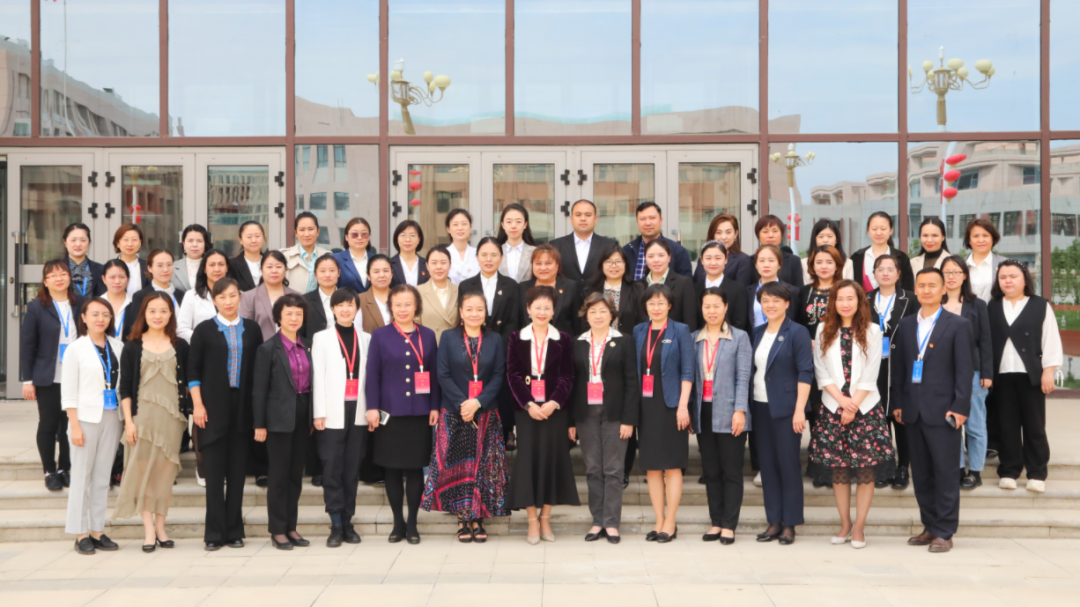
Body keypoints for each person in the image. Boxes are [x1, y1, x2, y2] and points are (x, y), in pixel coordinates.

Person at [891, 267, 973, 554]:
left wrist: (960, 406)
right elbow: (899, 368)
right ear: (915, 290)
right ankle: (929, 525)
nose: (926, 290)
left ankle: (945, 531)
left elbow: (965, 371)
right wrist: (898, 403)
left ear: (943, 290)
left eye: (932, 285)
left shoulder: (958, 325)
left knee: (946, 473)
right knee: (922, 473)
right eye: (921, 285)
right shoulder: (906, 325)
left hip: (944, 412)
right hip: (912, 411)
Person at [809, 280, 890, 549]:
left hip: (865, 408)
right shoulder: (823, 329)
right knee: (839, 470)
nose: (845, 303)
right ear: (833, 302)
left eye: (850, 298)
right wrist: (841, 401)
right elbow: (820, 370)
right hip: (833, 407)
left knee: (866, 470)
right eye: (840, 299)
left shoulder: (873, 330)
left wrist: (852, 405)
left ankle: (859, 527)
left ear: (859, 301)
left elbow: (871, 372)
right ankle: (845, 524)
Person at [424, 290, 509, 543]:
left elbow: (498, 375)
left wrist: (478, 402)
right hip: (455, 412)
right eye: (469, 309)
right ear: (461, 312)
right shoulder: (448, 337)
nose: (474, 313)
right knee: (459, 467)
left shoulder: (494, 339)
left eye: (479, 309)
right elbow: (443, 374)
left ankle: (478, 517)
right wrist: (464, 404)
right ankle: (462, 518)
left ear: (485, 313)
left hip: (486, 412)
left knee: (482, 466)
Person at [187, 278, 265, 550]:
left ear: (240, 297)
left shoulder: (252, 329)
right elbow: (193, 370)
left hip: (243, 408)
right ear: (214, 300)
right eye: (222, 297)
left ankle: (234, 531)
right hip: (211, 409)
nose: (228, 301)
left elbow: (259, 371)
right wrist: (198, 405)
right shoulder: (204, 330)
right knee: (214, 474)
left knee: (237, 474)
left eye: (233, 295)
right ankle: (213, 534)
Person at [365, 285, 441, 544]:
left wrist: (434, 406)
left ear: (416, 306)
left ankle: (412, 523)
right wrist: (372, 407)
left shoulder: (427, 335)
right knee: (392, 470)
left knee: (416, 469)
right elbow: (372, 375)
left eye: (408, 304)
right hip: (390, 413)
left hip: (419, 412)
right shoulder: (380, 335)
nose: (403, 309)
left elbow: (434, 374)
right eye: (397, 304)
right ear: (391, 307)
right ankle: (398, 523)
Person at [115, 292, 189, 552]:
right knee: (143, 474)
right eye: (152, 311)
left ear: (171, 314)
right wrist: (129, 422)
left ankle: (161, 528)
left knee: (164, 476)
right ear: (144, 314)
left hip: (171, 421)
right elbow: (125, 388)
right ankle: (148, 530)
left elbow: (190, 382)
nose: (158, 316)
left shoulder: (181, 345)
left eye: (163, 311)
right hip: (142, 420)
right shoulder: (132, 346)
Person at [506, 286, 579, 544]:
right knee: (527, 461)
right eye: (537, 307)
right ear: (528, 309)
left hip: (554, 411)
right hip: (526, 411)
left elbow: (568, 376)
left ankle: (545, 518)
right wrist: (528, 403)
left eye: (547, 307)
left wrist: (554, 403)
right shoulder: (517, 337)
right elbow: (512, 374)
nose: (542, 311)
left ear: (553, 311)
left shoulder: (564, 339)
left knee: (552, 460)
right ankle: (531, 521)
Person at [569, 293, 638, 544]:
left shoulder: (624, 341)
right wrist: (571, 422)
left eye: (603, 311)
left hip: (616, 414)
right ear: (586, 315)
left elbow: (632, 382)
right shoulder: (577, 342)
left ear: (612, 314)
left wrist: (629, 420)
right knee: (593, 468)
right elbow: (572, 383)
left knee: (614, 470)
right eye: (593, 311)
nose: (598, 316)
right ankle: (597, 520)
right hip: (585, 413)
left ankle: (611, 523)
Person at [987, 260, 1062, 494]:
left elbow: (1050, 339)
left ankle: (1037, 473)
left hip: (1031, 375)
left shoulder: (1040, 305)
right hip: (1001, 375)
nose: (1007, 281)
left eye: (1013, 276)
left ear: (1024, 279)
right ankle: (1009, 471)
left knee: (1034, 426)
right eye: (1002, 277)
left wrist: (1048, 371)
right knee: (1006, 425)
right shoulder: (992, 306)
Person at [752, 282, 813, 546]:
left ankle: (790, 524)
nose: (771, 305)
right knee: (767, 466)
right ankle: (774, 521)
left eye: (776, 300)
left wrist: (800, 409)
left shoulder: (797, 332)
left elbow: (806, 372)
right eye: (766, 300)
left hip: (787, 408)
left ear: (787, 303)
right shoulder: (756, 332)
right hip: (760, 406)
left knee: (788, 465)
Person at [61, 297, 124, 555]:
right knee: (81, 477)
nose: (101, 319)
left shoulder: (118, 346)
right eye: (95, 314)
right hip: (85, 419)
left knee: (102, 477)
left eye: (105, 315)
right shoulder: (76, 349)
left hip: (112, 417)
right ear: (84, 318)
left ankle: (97, 531)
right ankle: (80, 533)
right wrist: (74, 426)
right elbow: (68, 392)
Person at [634, 284, 695, 543]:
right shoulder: (639, 331)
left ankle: (671, 521)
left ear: (669, 305)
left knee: (671, 466)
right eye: (651, 303)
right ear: (645, 306)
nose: (656, 307)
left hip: (672, 407)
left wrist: (683, 406)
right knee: (651, 467)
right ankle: (658, 519)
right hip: (646, 407)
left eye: (661, 303)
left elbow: (688, 371)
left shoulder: (680, 330)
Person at [252, 293, 313, 550]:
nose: (294, 318)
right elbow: (259, 390)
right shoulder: (268, 348)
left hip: (303, 415)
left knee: (295, 476)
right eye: (289, 313)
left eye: (298, 313)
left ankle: (291, 526)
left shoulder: (307, 345)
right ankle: (277, 530)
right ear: (278, 317)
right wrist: (259, 424)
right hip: (278, 419)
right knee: (278, 476)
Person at [311, 288, 371, 547]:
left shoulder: (366, 338)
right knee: (332, 467)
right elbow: (317, 376)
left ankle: (348, 521)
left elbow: (371, 378)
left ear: (357, 309)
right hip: (332, 411)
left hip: (358, 410)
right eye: (340, 305)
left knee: (352, 468)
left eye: (350, 305)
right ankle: (335, 523)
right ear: (333, 309)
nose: (345, 309)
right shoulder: (321, 338)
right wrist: (318, 413)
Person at [693, 287, 752, 545]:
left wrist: (740, 410)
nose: (712, 311)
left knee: (731, 470)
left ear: (726, 307)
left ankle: (729, 524)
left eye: (717, 305)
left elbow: (743, 376)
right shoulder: (694, 338)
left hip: (730, 412)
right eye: (707, 306)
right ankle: (716, 521)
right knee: (711, 471)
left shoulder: (740, 337)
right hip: (703, 411)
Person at [20, 260, 80, 491]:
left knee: (69, 424)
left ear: (69, 278)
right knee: (48, 424)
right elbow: (28, 345)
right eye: (53, 275)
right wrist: (28, 380)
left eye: (63, 274)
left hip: (76, 376)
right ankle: (49, 471)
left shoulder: (81, 304)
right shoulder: (36, 308)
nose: (59, 278)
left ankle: (64, 468)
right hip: (48, 377)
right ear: (45, 282)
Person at [459, 237, 522, 450]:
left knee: (502, 389)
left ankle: (506, 431)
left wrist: (496, 348)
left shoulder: (511, 285)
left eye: (494, 255)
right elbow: (464, 318)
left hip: (502, 348)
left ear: (501, 258)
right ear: (477, 257)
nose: (489, 259)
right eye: (484, 254)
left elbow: (513, 321)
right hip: (473, 348)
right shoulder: (466, 285)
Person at [866, 254, 920, 490]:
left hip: (902, 365)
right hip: (873, 366)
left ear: (899, 274)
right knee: (878, 419)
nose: (885, 273)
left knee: (902, 418)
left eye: (890, 269)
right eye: (880, 269)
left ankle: (902, 468)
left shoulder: (911, 299)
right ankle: (883, 467)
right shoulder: (864, 299)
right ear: (874, 274)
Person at [941, 255, 993, 490]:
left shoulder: (977, 305)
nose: (951, 277)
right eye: (947, 272)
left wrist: (987, 372)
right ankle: (958, 468)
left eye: (956, 272)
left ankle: (975, 471)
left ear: (964, 275)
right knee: (951, 424)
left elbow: (986, 341)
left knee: (975, 425)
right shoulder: (935, 303)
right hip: (943, 373)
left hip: (973, 372)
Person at [518, 244, 582, 336]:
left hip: (562, 342)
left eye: (548, 263)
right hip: (529, 342)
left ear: (557, 265)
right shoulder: (522, 288)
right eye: (538, 263)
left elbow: (578, 323)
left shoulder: (571, 287)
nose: (543, 268)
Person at [635, 239, 698, 332]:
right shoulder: (638, 285)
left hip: (675, 338)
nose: (656, 260)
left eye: (661, 255)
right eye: (651, 256)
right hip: (645, 338)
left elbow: (690, 320)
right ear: (645, 258)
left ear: (669, 257)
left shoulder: (684, 283)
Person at [550, 199, 618, 283]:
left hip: (599, 291)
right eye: (578, 215)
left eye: (588, 215)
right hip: (565, 292)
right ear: (571, 219)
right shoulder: (555, 245)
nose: (583, 219)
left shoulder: (609, 245)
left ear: (595, 219)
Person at [240, 251, 301, 342]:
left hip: (290, 347)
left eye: (278, 267)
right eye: (269, 267)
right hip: (260, 347)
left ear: (285, 270)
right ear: (262, 270)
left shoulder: (296, 296)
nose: (274, 271)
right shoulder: (249, 297)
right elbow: (244, 328)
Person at [124, 249, 184, 340]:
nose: (165, 270)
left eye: (169, 265)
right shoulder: (141, 296)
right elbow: (137, 327)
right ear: (149, 268)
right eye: (160, 265)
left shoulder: (181, 295)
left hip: (179, 344)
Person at [624, 202, 692, 280]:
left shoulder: (678, 251)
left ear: (661, 220)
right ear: (637, 223)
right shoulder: (627, 250)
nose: (648, 223)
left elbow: (686, 283)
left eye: (652, 218)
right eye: (643, 219)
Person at [177, 249, 233, 343]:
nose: (217, 269)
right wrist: (205, 340)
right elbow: (181, 329)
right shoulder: (191, 296)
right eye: (212, 265)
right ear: (204, 269)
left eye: (221, 264)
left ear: (227, 268)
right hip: (202, 348)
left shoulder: (238, 295)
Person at [584, 244, 642, 334]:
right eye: (609, 261)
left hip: (629, 341)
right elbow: (583, 323)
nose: (614, 266)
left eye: (618, 261)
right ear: (602, 265)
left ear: (625, 264)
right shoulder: (589, 290)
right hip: (597, 340)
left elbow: (642, 320)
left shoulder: (637, 289)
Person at [851, 211, 914, 293]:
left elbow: (908, 290)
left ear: (891, 230)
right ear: (868, 230)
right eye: (874, 229)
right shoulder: (857, 257)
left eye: (883, 229)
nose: (878, 233)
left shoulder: (902, 258)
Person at [693, 241, 749, 333]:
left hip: (730, 339)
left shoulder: (738, 289)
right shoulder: (693, 289)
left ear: (726, 259)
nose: (713, 263)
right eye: (708, 258)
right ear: (702, 260)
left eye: (718, 258)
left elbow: (739, 323)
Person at [692, 214, 754, 287]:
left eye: (728, 232)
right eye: (718, 232)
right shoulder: (704, 257)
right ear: (712, 234)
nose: (723, 237)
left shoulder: (743, 260)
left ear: (736, 234)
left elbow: (741, 289)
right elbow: (696, 285)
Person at [747, 245, 799, 328]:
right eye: (761, 261)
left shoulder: (792, 291)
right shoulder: (747, 292)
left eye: (771, 260)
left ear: (779, 264)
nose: (766, 265)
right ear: (756, 265)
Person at [796, 245, 841, 338]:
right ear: (813, 266)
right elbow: (798, 322)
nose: (824, 266)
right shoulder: (804, 291)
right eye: (819, 262)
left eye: (829, 262)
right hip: (809, 343)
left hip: (837, 342)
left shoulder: (844, 290)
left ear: (836, 266)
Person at [417, 246, 459, 344]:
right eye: (434, 263)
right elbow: (415, 325)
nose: (439, 267)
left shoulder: (459, 290)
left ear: (450, 265)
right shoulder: (417, 292)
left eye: (443, 262)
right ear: (427, 266)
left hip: (454, 346)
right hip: (428, 346)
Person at [282, 212, 331, 293]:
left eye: (311, 229)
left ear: (318, 232)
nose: (307, 234)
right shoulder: (285, 256)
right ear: (296, 233)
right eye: (302, 230)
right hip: (291, 300)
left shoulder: (327, 256)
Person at [301, 254, 342, 342]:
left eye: (332, 270)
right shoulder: (304, 301)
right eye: (322, 271)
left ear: (339, 273)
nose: (327, 275)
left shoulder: (348, 298)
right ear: (315, 274)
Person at [753, 215, 803, 287]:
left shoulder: (793, 260)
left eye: (775, 231)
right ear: (758, 236)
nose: (770, 235)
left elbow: (799, 290)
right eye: (765, 231)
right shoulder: (750, 260)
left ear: (782, 235)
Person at [964, 218, 1006, 303]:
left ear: (992, 239)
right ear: (969, 240)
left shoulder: (1005, 264)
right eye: (976, 236)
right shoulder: (960, 265)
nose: (981, 240)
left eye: (985, 235)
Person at [800, 219, 854, 285]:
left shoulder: (847, 263)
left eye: (830, 236)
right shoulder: (804, 263)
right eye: (821, 236)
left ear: (836, 239)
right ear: (814, 239)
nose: (825, 240)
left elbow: (849, 287)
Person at [334, 217, 378, 294]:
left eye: (364, 234)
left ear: (369, 237)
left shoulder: (377, 260)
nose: (360, 238)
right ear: (346, 237)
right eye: (354, 234)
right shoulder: (335, 260)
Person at [62, 223, 105, 298]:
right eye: (73, 240)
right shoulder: (56, 269)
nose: (78, 244)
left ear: (89, 242)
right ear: (65, 242)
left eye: (83, 240)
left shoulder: (100, 269)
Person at [497, 203, 536, 283]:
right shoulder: (496, 251)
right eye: (509, 221)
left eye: (518, 221)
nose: (513, 226)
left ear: (525, 224)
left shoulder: (534, 252)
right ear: (503, 225)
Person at [358, 254, 394, 335]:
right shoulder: (359, 300)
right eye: (376, 271)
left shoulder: (401, 297)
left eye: (386, 271)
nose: (382, 275)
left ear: (391, 274)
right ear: (368, 276)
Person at [389, 220, 429, 287]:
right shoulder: (389, 264)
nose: (407, 239)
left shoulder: (427, 264)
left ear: (419, 239)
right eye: (403, 235)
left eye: (412, 235)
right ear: (397, 239)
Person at [229, 221, 266, 292]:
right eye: (249, 237)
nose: (254, 240)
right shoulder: (231, 265)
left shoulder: (271, 262)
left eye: (257, 236)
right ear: (240, 240)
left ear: (263, 237)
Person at [172, 224, 211, 293]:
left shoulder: (212, 266)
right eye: (190, 240)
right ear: (184, 244)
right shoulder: (173, 267)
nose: (194, 245)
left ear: (205, 244)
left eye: (199, 241)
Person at [113, 224, 149, 297]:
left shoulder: (148, 267)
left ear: (140, 243)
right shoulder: (109, 267)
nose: (130, 244)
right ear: (118, 243)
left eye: (134, 239)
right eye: (125, 239)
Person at [446, 208, 480, 284]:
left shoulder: (478, 253)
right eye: (455, 224)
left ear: (470, 227)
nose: (460, 228)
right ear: (448, 229)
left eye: (464, 224)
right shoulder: (443, 255)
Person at [101, 260, 132, 342]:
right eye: (112, 277)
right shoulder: (96, 305)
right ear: (104, 279)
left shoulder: (135, 304)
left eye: (122, 277)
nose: (117, 281)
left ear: (128, 279)